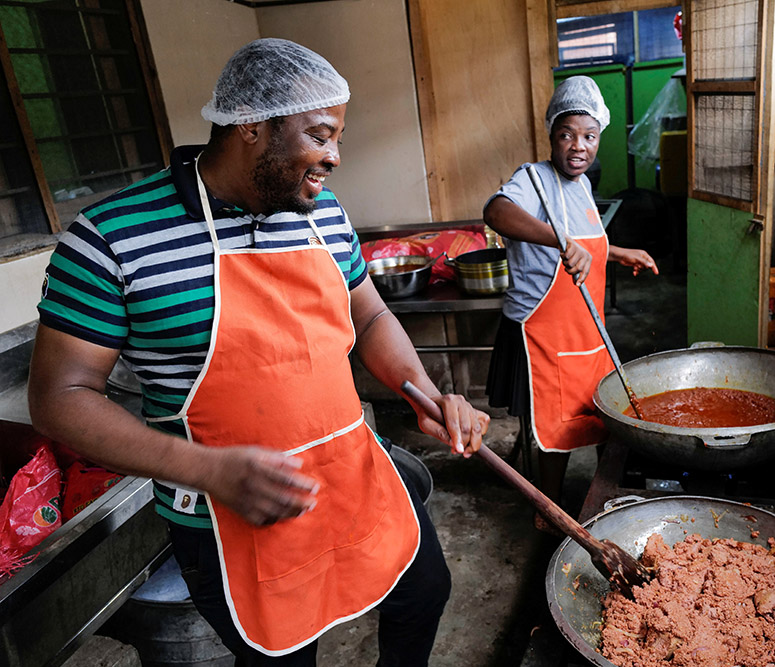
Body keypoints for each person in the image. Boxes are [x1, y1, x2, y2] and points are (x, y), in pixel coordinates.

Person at [28, 38, 488, 666]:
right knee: (284, 655)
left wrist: (423, 390)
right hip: (230, 516)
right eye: (320, 135)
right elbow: (60, 398)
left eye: (337, 138)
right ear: (250, 124)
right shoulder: (110, 237)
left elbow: (371, 313)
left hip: (355, 476)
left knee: (423, 594)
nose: (334, 157)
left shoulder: (323, 212)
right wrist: (208, 469)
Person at [483, 76, 657, 532]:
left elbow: (587, 244)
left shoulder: (580, 185)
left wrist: (619, 253)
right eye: (567, 135)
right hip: (542, 332)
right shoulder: (533, 179)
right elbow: (495, 212)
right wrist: (557, 239)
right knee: (554, 427)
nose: (578, 146)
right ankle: (550, 512)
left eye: (589, 136)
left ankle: (610, 495)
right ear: (551, 136)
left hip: (586, 329)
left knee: (600, 416)